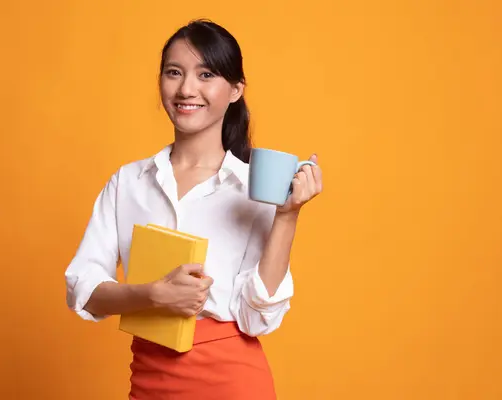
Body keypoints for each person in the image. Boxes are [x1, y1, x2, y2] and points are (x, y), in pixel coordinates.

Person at [65, 19, 323, 400]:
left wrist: (287, 215)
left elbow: (257, 318)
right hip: (150, 377)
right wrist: (151, 295)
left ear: (235, 90)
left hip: (233, 382)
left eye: (206, 74)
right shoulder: (128, 183)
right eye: (174, 72)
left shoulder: (256, 190)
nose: (187, 89)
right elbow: (83, 290)